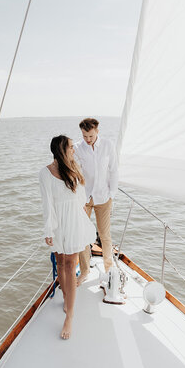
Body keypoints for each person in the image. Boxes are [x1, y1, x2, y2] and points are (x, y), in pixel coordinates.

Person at [39, 134, 96, 340]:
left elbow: (81, 199)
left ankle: (69, 317)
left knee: (71, 266)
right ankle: (66, 297)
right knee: (61, 263)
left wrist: (78, 220)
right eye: (71, 147)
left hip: (74, 221)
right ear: (61, 150)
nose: (74, 150)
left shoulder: (74, 169)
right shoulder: (45, 174)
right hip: (58, 224)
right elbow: (47, 205)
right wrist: (49, 230)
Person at [74, 118, 118, 284]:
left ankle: (109, 268)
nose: (88, 139)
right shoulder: (77, 148)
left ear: (97, 131)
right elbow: (75, 173)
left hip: (103, 197)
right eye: (85, 136)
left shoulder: (108, 145)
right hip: (84, 198)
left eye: (91, 136)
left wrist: (112, 194)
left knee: (105, 235)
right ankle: (85, 271)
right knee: (82, 235)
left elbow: (113, 170)